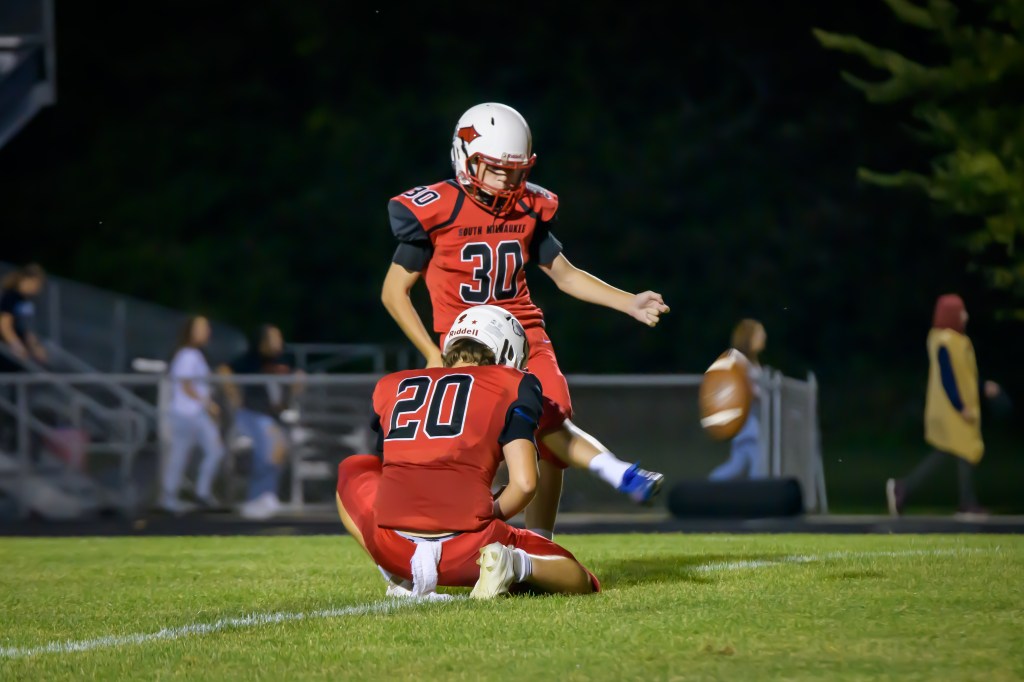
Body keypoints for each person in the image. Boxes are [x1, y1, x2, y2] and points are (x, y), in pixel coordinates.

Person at [380, 102, 669, 539]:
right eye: (495, 169)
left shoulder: (529, 207)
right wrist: (431, 352)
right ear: (464, 156)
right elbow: (393, 292)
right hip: (466, 345)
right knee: (468, 452)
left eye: (514, 171)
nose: (505, 180)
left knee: (549, 427)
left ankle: (539, 542)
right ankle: (451, 538)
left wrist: (628, 302)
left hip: (523, 335)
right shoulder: (436, 209)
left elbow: (565, 275)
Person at [336, 304, 599, 599]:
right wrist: (490, 513)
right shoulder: (513, 383)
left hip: (393, 547)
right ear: (507, 352)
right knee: (578, 577)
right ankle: (511, 564)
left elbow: (398, 472)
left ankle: (401, 577)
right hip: (467, 552)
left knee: (354, 467)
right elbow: (525, 483)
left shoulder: (393, 384)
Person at [886, 294, 1003, 519]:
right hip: (951, 409)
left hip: (957, 408)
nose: (965, 316)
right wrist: (960, 406)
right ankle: (966, 504)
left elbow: (965, 376)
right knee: (965, 450)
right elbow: (948, 378)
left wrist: (983, 386)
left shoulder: (958, 341)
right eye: (961, 312)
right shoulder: (945, 342)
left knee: (953, 451)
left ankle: (904, 489)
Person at [217, 324, 304, 520]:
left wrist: (294, 387)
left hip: (274, 415)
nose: (277, 342)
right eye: (272, 338)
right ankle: (256, 497)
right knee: (269, 453)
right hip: (254, 413)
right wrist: (233, 396)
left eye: (278, 337)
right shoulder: (252, 359)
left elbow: (296, 378)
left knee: (276, 454)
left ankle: (266, 495)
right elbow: (224, 370)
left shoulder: (285, 359)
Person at [160, 315, 225, 514]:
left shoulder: (195, 354)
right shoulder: (188, 354)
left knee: (207, 452)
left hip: (193, 412)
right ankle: (178, 497)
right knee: (187, 454)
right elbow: (186, 384)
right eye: (201, 328)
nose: (207, 332)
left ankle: (195, 494)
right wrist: (208, 404)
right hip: (188, 413)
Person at [708, 319, 768, 481]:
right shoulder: (739, 361)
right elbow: (739, 389)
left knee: (737, 466)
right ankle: (711, 485)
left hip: (751, 424)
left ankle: (711, 484)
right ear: (748, 337)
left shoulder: (752, 362)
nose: (763, 337)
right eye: (759, 334)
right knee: (758, 469)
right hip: (747, 426)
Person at [0, 263, 48, 369]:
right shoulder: (10, 296)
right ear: (28, 280)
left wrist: (36, 347)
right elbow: (4, 324)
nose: (38, 288)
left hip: (17, 354)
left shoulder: (26, 300)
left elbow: (26, 328)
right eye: (37, 284)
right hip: (6, 352)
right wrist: (16, 346)